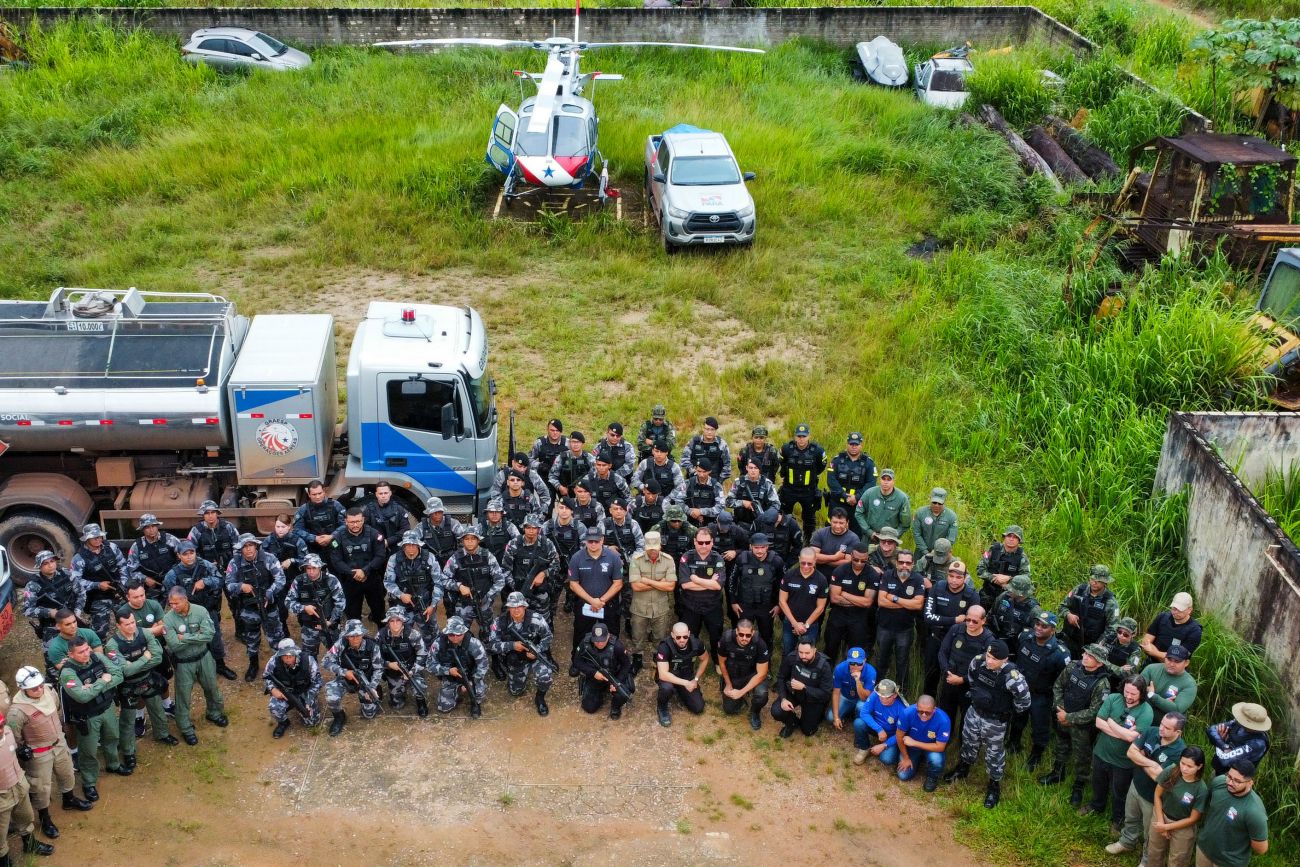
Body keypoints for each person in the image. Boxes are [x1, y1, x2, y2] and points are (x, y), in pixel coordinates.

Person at [7, 666, 92, 841]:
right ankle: (45, 818)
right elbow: (14, 736)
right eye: (33, 688)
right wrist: (21, 749)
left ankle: (69, 799)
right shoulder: (17, 711)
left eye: (39, 685)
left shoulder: (49, 692)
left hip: (59, 743)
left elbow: (57, 708)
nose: (39, 689)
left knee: (67, 772)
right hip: (39, 753)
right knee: (41, 787)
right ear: (23, 689)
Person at [942, 639, 1030, 808]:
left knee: (994, 754)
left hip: (996, 721)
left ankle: (994, 786)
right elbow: (972, 680)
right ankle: (963, 769)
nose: (989, 661)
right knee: (968, 742)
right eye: (988, 656)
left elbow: (1024, 702)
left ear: (1005, 660)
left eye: (994, 659)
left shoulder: (1013, 678)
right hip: (974, 712)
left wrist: (1005, 711)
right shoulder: (978, 661)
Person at [1109, 711, 1188, 861]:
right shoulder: (1151, 731)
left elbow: (1159, 777)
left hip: (1153, 798)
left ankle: (1147, 859)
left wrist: (1142, 758)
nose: (1161, 729)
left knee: (1150, 832)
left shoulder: (1180, 752)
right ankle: (1126, 842)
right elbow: (1131, 753)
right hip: (1136, 784)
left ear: (1178, 732)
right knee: (1130, 818)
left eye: (1167, 728)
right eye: (1162, 724)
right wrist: (1152, 763)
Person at [56, 636, 124, 802]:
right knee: (89, 751)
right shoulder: (67, 673)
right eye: (81, 652)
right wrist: (101, 681)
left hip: (107, 708)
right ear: (71, 654)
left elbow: (118, 675)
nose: (86, 654)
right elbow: (81, 696)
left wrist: (92, 688)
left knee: (112, 737)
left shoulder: (97, 657)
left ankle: (113, 765)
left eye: (87, 649)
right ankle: (89, 783)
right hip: (87, 716)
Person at [1040, 644, 1111, 802]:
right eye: (1085, 653)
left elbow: (1094, 712)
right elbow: (1058, 686)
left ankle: (1079, 784)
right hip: (1062, 715)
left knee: (1082, 756)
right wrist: (1060, 710)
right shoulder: (1073, 667)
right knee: (1061, 745)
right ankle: (1057, 773)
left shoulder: (1102, 685)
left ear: (1100, 663)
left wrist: (1069, 717)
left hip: (1082, 727)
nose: (1085, 656)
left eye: (1090, 656)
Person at [162, 586, 228, 746]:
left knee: (211, 687)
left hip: (204, 658)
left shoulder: (200, 611)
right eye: (171, 604)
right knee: (183, 696)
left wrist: (184, 637)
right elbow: (174, 645)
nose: (173, 607)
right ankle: (185, 728)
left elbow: (209, 635)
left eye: (176, 603)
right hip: (183, 663)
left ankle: (214, 713)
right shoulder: (168, 619)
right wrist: (196, 636)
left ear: (185, 600)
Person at [163, 541, 237, 681]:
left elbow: (221, 580)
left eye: (192, 553)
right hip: (186, 613)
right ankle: (196, 669)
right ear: (179, 556)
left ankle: (220, 665)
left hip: (207, 608)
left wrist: (205, 582)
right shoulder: (173, 574)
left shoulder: (205, 565)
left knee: (214, 637)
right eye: (185, 554)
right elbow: (169, 594)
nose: (190, 556)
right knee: (190, 639)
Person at [106, 608, 171, 767]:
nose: (132, 626)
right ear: (119, 626)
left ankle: (162, 734)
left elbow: (157, 657)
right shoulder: (112, 645)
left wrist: (134, 665)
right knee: (128, 720)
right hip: (128, 686)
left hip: (148, 679)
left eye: (133, 622)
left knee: (157, 709)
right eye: (127, 624)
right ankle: (128, 752)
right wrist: (144, 658)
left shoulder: (145, 633)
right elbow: (125, 671)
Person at [1086, 674, 1152, 830]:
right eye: (1126, 691)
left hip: (1123, 762)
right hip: (1101, 753)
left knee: (1119, 793)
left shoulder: (1146, 711)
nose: (1128, 696)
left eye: (1133, 694)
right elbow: (1098, 722)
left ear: (1142, 693)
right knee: (1098, 784)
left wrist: (1110, 723)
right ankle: (1096, 806)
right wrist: (1123, 732)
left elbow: (1132, 738)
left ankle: (1117, 819)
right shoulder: (1113, 698)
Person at [225, 534, 287, 682]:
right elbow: (228, 584)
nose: (248, 550)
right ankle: (253, 664)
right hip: (249, 608)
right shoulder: (235, 563)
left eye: (251, 545)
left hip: (269, 606)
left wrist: (270, 592)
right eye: (245, 547)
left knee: (276, 636)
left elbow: (281, 578)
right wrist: (241, 586)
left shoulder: (269, 558)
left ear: (256, 546)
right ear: (240, 549)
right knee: (251, 638)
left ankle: (280, 665)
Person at [0, 708, 55, 862]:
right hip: (1, 794)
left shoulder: (9, 732)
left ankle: (29, 844)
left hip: (18, 784)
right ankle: (4, 859)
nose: (1, 729)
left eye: (2, 724)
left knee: (26, 817)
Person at [488, 592, 554, 716]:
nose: (516, 609)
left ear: (524, 606)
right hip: (515, 659)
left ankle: (539, 698)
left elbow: (548, 636)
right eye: (513, 607)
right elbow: (491, 645)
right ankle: (516, 675)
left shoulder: (536, 619)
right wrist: (512, 645)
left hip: (534, 655)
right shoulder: (500, 622)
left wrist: (537, 650)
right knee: (515, 692)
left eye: (519, 606)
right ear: (508, 608)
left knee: (545, 676)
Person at [922, 558, 981, 696]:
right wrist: (954, 620)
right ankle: (926, 706)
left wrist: (945, 621)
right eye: (951, 576)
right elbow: (928, 617)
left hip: (957, 644)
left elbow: (971, 623)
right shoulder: (938, 587)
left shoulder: (972, 596)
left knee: (952, 684)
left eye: (958, 577)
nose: (954, 580)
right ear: (947, 575)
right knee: (930, 676)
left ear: (965, 578)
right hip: (936, 638)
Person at [1196, 760, 1269, 866]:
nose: (1230, 783)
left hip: (1229, 863)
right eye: (1229, 776)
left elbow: (1261, 849)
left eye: (1237, 781)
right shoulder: (1219, 782)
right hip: (1203, 849)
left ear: (1250, 783)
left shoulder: (1255, 812)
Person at [567, 527, 625, 663]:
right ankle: (577, 661)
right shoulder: (576, 558)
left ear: (602, 540)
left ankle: (613, 661)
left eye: (596, 541)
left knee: (612, 633)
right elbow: (573, 584)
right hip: (585, 605)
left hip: (608, 605)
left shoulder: (613, 557)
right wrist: (592, 601)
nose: (593, 544)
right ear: (586, 541)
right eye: (590, 541)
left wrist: (601, 601)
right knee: (581, 633)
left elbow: (618, 583)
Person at [1147, 746, 1208, 867]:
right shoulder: (1171, 771)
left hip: (1183, 826)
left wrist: (1167, 827)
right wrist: (1161, 822)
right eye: (1182, 763)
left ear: (1199, 766)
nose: (1184, 768)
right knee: (1154, 852)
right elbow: (1157, 795)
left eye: (1189, 766)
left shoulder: (1201, 789)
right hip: (1161, 815)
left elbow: (1193, 818)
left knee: (1178, 860)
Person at [442, 524, 507, 635]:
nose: (470, 542)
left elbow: (500, 580)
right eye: (467, 539)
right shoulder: (456, 557)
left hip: (484, 603)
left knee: (489, 634)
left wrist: (488, 597)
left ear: (478, 540)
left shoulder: (488, 556)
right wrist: (459, 586)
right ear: (462, 541)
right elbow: (443, 579)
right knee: (459, 635)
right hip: (463, 604)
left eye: (473, 539)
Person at [874, 546, 923, 694]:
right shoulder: (888, 575)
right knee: (881, 660)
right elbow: (881, 601)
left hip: (905, 629)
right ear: (896, 563)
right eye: (901, 562)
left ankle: (901, 693)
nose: (904, 566)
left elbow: (918, 605)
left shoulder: (917, 579)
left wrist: (894, 598)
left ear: (913, 564)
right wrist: (907, 604)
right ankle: (878, 690)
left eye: (908, 563)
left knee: (902, 663)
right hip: (885, 627)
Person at [322, 619, 383, 736]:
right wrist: (344, 672)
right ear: (347, 636)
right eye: (351, 636)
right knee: (331, 696)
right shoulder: (340, 644)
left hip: (366, 680)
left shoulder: (373, 646)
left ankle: (375, 694)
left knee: (369, 714)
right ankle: (339, 717)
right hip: (345, 679)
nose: (355, 639)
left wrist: (372, 686)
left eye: (358, 635)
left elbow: (378, 669)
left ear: (363, 634)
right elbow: (325, 662)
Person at [71, 523, 129, 640]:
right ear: (87, 539)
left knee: (129, 622)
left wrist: (122, 585)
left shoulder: (111, 547)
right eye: (95, 537)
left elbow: (123, 566)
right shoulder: (79, 558)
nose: (98, 539)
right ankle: (98, 652)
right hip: (98, 597)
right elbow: (75, 581)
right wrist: (97, 585)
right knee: (99, 631)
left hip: (118, 593)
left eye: (100, 536)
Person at [936, 605, 992, 727]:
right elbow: (942, 652)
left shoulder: (988, 640)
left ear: (983, 621)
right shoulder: (956, 629)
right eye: (968, 620)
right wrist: (947, 672)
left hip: (970, 685)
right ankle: (944, 739)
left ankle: (962, 743)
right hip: (949, 678)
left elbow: (985, 668)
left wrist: (962, 679)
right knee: (945, 712)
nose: (970, 624)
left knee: (966, 717)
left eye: (975, 621)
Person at [726, 533, 784, 650]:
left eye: (763, 547)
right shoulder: (742, 559)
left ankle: (766, 663)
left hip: (767, 606)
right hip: (745, 605)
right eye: (756, 547)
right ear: (750, 546)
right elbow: (731, 580)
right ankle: (744, 658)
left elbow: (782, 585)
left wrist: (779, 605)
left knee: (766, 636)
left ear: (767, 547)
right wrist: (733, 602)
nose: (760, 550)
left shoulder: (776, 561)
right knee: (743, 635)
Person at [628, 531, 676, 670]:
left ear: (660, 545)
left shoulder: (668, 560)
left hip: (660, 607)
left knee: (660, 636)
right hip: (639, 607)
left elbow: (671, 586)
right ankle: (637, 658)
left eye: (655, 547)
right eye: (650, 548)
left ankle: (658, 657)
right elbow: (636, 586)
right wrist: (659, 583)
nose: (653, 551)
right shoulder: (636, 560)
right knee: (637, 636)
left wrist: (647, 580)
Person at [677, 526, 728, 656]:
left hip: (712, 605)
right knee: (691, 634)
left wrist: (695, 579)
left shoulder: (718, 559)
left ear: (712, 542)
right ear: (695, 541)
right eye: (700, 542)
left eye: (707, 542)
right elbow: (685, 585)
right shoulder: (686, 558)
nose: (704, 545)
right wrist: (709, 582)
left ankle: (717, 660)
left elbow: (718, 586)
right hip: (690, 605)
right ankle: (691, 657)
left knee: (716, 634)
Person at [384, 530, 444, 638]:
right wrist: (401, 595)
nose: (411, 548)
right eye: (407, 545)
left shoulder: (430, 558)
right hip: (403, 605)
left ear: (418, 545)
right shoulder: (394, 559)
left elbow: (439, 583)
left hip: (426, 605)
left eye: (413, 545)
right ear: (403, 546)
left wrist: (433, 605)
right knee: (402, 635)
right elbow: (388, 582)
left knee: (432, 634)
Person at [771, 635, 834, 738]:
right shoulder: (792, 657)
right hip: (794, 694)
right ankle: (792, 723)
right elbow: (781, 677)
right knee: (777, 711)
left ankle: (814, 717)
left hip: (813, 699)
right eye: (800, 652)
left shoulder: (824, 666)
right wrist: (783, 699)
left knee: (807, 731)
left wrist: (805, 687)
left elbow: (826, 694)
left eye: (807, 653)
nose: (803, 656)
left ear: (814, 650)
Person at [286, 554, 347, 659]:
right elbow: (288, 602)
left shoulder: (331, 580)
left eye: (314, 568)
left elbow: (341, 602)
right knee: (308, 658)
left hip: (329, 625)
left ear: (319, 567)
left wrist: (330, 621)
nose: (311, 571)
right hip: (309, 626)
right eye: (308, 568)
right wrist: (304, 608)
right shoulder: (299, 581)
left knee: (339, 656)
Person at [427, 616, 488, 719]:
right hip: (450, 677)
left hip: (470, 677)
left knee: (479, 695)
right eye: (451, 634)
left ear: (464, 632)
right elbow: (429, 665)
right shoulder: (438, 644)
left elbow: (483, 665)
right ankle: (457, 690)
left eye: (458, 634)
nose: (455, 638)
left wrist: (472, 681)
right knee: (444, 708)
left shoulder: (474, 644)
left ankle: (475, 702)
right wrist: (448, 671)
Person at [824, 543, 875, 664]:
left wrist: (845, 594)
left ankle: (852, 678)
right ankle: (827, 675)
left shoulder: (872, 574)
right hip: (838, 615)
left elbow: (867, 602)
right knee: (830, 648)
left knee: (855, 652)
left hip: (859, 618)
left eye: (863, 561)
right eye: (856, 559)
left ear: (867, 558)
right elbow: (835, 598)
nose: (858, 563)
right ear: (851, 555)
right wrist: (858, 600)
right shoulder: (840, 570)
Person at [23, 551, 86, 648]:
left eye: (52, 561)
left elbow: (81, 593)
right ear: (39, 566)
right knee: (53, 654)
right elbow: (27, 610)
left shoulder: (67, 574)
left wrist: (77, 612)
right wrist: (49, 612)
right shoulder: (33, 585)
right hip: (52, 624)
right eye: (45, 563)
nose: (50, 565)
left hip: (72, 619)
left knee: (82, 648)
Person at [573, 622, 635, 719]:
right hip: (595, 677)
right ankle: (598, 693)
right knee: (589, 707)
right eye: (596, 641)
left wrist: (617, 681)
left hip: (614, 674)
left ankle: (615, 707)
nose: (599, 643)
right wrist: (593, 673)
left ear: (608, 636)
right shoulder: (585, 643)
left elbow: (626, 664)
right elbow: (577, 661)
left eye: (602, 640)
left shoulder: (617, 646)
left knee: (624, 693)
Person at [263, 637, 322, 738]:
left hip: (305, 692)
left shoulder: (308, 660)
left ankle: (303, 707)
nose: (288, 658)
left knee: (312, 722)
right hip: (284, 694)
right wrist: (272, 689)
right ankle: (283, 723)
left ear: (295, 652)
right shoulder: (273, 661)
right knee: (274, 707)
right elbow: (266, 676)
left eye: (290, 655)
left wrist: (309, 698)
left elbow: (318, 682)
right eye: (284, 655)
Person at [717, 619, 770, 730]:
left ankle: (755, 712)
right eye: (741, 634)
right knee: (729, 710)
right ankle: (741, 697)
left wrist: (741, 692)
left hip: (752, 675)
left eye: (748, 635)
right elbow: (721, 663)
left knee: (761, 694)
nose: (744, 638)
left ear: (753, 633)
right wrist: (728, 684)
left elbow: (762, 673)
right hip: (733, 676)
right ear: (736, 631)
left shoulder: (760, 644)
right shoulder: (726, 640)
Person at [376, 606, 429, 717]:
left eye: (398, 620)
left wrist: (412, 671)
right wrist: (388, 664)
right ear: (388, 623)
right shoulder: (380, 636)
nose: (395, 624)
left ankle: (421, 702)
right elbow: (374, 658)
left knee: (419, 687)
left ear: (403, 621)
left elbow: (423, 655)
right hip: (393, 671)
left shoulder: (413, 634)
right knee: (397, 705)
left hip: (411, 668)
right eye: (392, 621)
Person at [1059, 564, 1120, 659]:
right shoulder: (1079, 590)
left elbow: (1112, 629)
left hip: (1088, 649)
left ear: (1105, 583)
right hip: (1067, 640)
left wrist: (1096, 647)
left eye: (1098, 581)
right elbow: (1062, 606)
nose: (1094, 583)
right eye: (1092, 579)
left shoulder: (1110, 602)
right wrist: (1068, 615)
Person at [893, 694, 951, 792]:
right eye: (920, 711)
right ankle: (916, 760)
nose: (923, 715)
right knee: (903, 775)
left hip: (931, 748)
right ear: (916, 707)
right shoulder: (907, 713)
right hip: (912, 748)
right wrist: (906, 758)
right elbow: (899, 737)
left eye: (928, 713)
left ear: (934, 709)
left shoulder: (944, 720)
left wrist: (914, 743)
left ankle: (932, 777)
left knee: (936, 760)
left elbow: (940, 747)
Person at [654, 622, 709, 727]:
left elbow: (705, 659)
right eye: (678, 637)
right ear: (672, 635)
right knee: (667, 688)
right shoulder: (665, 647)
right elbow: (663, 674)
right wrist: (686, 683)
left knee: (698, 707)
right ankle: (662, 707)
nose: (682, 640)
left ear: (689, 633)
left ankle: (681, 691)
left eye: (685, 636)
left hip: (686, 675)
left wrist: (696, 679)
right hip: (669, 677)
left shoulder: (697, 644)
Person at [777, 547, 829, 656]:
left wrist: (806, 625)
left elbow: (820, 607)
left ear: (815, 561)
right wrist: (795, 624)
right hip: (790, 622)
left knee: (808, 654)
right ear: (799, 559)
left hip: (811, 625)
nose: (806, 566)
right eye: (803, 563)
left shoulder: (821, 580)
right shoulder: (789, 575)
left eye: (810, 564)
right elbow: (782, 601)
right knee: (788, 652)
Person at [778, 423, 826, 540]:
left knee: (809, 519)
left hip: (808, 491)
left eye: (804, 436)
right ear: (795, 437)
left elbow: (821, 467)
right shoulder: (786, 449)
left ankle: (808, 541)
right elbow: (781, 463)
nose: (801, 439)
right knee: (784, 516)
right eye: (799, 436)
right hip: (789, 490)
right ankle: (785, 539)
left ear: (809, 436)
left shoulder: (817, 451)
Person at [263, 514, 308, 634]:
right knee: (281, 610)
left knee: (301, 607)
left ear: (289, 527)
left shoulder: (297, 540)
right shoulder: (269, 541)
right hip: (278, 581)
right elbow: (261, 559)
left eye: (283, 526)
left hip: (295, 579)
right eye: (278, 526)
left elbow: (306, 559)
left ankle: (306, 631)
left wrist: (292, 561)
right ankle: (284, 634)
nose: (280, 529)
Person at [826, 432, 876, 537]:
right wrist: (844, 495)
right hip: (837, 503)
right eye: (851, 444)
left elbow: (871, 483)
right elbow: (831, 480)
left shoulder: (868, 463)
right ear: (847, 444)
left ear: (861, 445)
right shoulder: (837, 460)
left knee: (856, 533)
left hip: (858, 505)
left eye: (856, 444)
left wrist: (856, 497)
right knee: (832, 530)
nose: (854, 447)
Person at [125, 514, 181, 604]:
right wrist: (145, 579)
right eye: (147, 527)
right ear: (142, 529)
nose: (151, 529)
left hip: (172, 580)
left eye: (153, 526)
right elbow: (131, 569)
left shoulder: (169, 539)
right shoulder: (137, 546)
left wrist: (174, 574)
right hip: (151, 585)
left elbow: (184, 557)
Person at [1206, 703, 1271, 775]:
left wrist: (1219, 742)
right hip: (1219, 769)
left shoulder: (1258, 743)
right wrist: (1223, 745)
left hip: (1235, 779)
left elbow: (1225, 760)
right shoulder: (1238, 723)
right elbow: (1211, 729)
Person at [852, 679, 906, 765]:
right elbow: (864, 712)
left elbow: (901, 734)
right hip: (876, 728)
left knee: (887, 759)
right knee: (859, 723)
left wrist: (885, 745)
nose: (883, 699)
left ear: (895, 695)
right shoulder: (875, 694)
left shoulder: (902, 710)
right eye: (881, 696)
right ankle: (864, 748)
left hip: (891, 735)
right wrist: (879, 729)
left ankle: (893, 750)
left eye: (887, 697)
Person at [975, 525, 1030, 611]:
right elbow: (980, 569)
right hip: (987, 593)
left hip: (1008, 598)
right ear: (1004, 537)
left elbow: (1026, 579)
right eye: (1009, 536)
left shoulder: (1022, 558)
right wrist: (994, 578)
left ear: (1019, 541)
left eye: (1015, 537)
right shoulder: (993, 549)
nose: (1011, 539)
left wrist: (1009, 579)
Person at [1142, 644, 1197, 725]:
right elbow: (1135, 688)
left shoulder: (1190, 684)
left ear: (1186, 663)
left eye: (1177, 661)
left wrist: (1152, 695)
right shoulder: (1151, 669)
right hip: (1141, 719)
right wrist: (1165, 703)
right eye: (1169, 659)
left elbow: (1176, 709)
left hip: (1164, 728)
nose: (1171, 664)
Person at [1140, 592, 1203, 662]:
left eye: (1179, 610)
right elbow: (1145, 643)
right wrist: (1164, 656)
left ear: (1189, 610)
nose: (1175, 612)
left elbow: (1176, 659)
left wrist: (1154, 652)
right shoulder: (1162, 617)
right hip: (1150, 662)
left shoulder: (1195, 631)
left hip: (1174, 670)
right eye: (1174, 608)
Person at [855, 468, 910, 544]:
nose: (885, 482)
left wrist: (893, 536)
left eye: (889, 479)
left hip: (890, 540)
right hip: (869, 537)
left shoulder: (902, 498)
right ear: (879, 480)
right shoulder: (869, 493)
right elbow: (859, 513)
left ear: (893, 481)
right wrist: (869, 531)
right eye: (883, 479)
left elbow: (905, 524)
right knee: (862, 555)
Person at [991, 575, 1040, 659]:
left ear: (1021, 593)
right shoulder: (1003, 597)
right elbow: (991, 614)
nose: (1008, 590)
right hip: (996, 638)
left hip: (1015, 647)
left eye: (1012, 589)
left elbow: (1036, 636)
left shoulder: (1034, 611)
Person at [292, 481, 345, 555]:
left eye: (319, 493)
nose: (317, 497)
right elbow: (296, 530)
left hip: (335, 543)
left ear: (324, 492)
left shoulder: (335, 505)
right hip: (313, 547)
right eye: (314, 494)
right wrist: (314, 538)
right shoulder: (303, 510)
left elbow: (346, 524)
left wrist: (332, 536)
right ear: (309, 495)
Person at [829, 646, 875, 729]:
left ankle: (857, 721)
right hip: (845, 697)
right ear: (847, 661)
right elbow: (836, 693)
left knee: (860, 707)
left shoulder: (871, 672)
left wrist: (858, 681)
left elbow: (865, 698)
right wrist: (836, 717)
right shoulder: (840, 669)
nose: (855, 666)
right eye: (852, 663)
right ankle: (847, 713)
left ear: (864, 661)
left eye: (859, 663)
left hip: (860, 699)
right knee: (830, 717)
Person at [363, 481, 413, 555]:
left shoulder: (399, 509)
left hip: (395, 546)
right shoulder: (369, 509)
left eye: (385, 493)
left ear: (390, 493)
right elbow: (364, 528)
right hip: (376, 547)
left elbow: (405, 530)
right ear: (376, 494)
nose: (383, 496)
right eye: (380, 493)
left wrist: (388, 541)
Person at [726, 458, 779, 528]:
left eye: (756, 468)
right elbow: (728, 502)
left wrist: (766, 515)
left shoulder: (767, 483)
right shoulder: (738, 482)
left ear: (759, 469)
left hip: (761, 522)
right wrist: (743, 503)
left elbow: (776, 504)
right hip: (741, 523)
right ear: (746, 468)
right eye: (750, 468)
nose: (753, 471)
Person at [681, 416, 732, 484]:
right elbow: (684, 460)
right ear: (703, 429)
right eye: (707, 429)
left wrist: (719, 481)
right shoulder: (694, 442)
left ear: (716, 430)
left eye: (712, 429)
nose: (709, 432)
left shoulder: (721, 444)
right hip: (694, 481)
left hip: (714, 481)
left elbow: (727, 465)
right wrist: (694, 472)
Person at [809, 508, 859, 577]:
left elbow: (848, 562)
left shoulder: (853, 538)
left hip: (842, 576)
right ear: (830, 521)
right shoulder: (820, 533)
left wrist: (822, 559)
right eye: (835, 522)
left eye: (841, 523)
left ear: (847, 522)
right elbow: (812, 556)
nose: (837, 526)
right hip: (819, 574)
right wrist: (835, 557)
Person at [528, 419, 568, 504]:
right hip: (545, 479)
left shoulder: (568, 444)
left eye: (557, 430)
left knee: (567, 507)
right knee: (546, 508)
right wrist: (539, 465)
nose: (555, 433)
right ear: (547, 429)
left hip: (563, 481)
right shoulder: (539, 443)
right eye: (552, 430)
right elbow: (529, 460)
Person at [911, 488, 958, 560]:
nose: (936, 505)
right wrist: (925, 551)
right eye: (934, 502)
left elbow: (951, 538)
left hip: (941, 553)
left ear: (945, 502)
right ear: (930, 499)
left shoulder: (951, 516)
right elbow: (916, 534)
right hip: (920, 552)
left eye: (940, 503)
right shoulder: (920, 512)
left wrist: (938, 551)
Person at [674, 459, 725, 525]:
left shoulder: (716, 486)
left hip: (710, 523)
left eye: (704, 472)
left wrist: (701, 512)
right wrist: (691, 512)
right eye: (699, 471)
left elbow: (720, 507)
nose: (701, 475)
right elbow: (678, 501)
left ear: (710, 471)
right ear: (695, 469)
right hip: (689, 522)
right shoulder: (687, 483)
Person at [415, 497, 462, 568]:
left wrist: (458, 555)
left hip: (451, 558)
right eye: (434, 512)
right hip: (430, 560)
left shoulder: (453, 523)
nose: (437, 514)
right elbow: (413, 542)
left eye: (440, 512)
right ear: (429, 514)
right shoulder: (421, 527)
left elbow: (463, 539)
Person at [549, 431, 595, 500]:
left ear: (582, 443)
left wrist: (583, 485)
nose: (575, 444)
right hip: (566, 494)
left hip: (584, 494)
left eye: (578, 442)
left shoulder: (589, 457)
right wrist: (560, 487)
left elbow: (596, 474)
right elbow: (552, 476)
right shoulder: (562, 457)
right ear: (569, 443)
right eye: (573, 442)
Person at [1102, 616, 1144, 690]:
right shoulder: (1109, 638)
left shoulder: (1135, 650)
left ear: (1133, 634)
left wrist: (1103, 663)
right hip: (1101, 675)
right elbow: (1095, 655)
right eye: (1119, 632)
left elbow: (1128, 673)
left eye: (1126, 634)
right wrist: (1118, 669)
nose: (1121, 636)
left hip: (1117, 683)